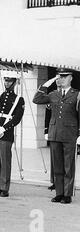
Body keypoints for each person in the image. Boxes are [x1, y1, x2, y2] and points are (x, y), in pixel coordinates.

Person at [33, 68, 80, 204]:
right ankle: (59, 193)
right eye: (59, 76)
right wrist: (49, 82)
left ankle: (67, 194)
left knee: (68, 167)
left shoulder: (76, 95)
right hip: (55, 134)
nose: (62, 79)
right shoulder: (53, 94)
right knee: (57, 166)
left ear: (71, 78)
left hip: (69, 134)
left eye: (64, 76)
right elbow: (36, 99)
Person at [0, 75, 25, 198]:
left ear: (15, 83)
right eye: (5, 80)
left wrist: (4, 128)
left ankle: (4, 188)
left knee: (5, 161)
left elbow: (17, 118)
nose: (7, 83)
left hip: (6, 133)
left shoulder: (19, 99)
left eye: (10, 81)